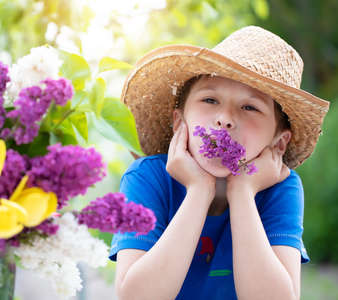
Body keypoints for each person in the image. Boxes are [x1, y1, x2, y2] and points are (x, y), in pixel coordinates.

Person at [108, 26, 330, 300]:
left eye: (250, 107)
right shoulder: (148, 177)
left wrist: (243, 192)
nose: (225, 118)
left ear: (279, 143)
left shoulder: (280, 188)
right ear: (179, 123)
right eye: (210, 100)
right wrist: (199, 190)